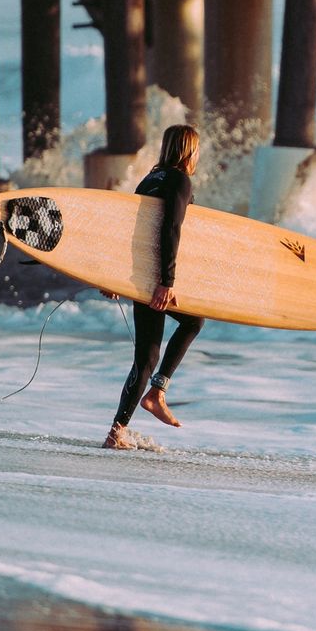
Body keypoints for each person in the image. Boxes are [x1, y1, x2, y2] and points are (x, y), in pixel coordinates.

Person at [104, 124, 205, 450]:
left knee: (146, 357)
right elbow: (170, 229)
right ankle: (157, 392)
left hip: (138, 274)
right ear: (190, 150)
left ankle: (117, 431)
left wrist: (114, 277)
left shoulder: (150, 180)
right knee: (193, 321)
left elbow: (131, 232)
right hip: (154, 277)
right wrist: (167, 282)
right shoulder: (179, 180)